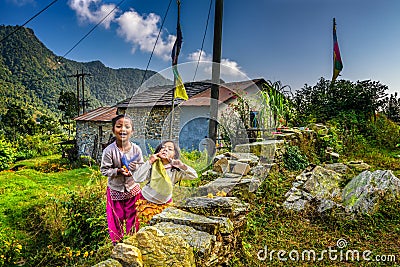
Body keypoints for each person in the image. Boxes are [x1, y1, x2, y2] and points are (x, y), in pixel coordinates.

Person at [100, 114, 143, 245]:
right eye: (119, 126)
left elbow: (141, 168)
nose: (123, 129)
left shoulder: (136, 150)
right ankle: (117, 246)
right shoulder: (109, 151)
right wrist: (118, 171)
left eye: (127, 127)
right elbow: (104, 170)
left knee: (134, 218)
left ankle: (132, 243)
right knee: (115, 220)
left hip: (133, 190)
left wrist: (135, 169)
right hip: (115, 190)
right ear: (113, 130)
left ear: (132, 131)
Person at [132, 140, 198, 224]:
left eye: (170, 149)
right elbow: (137, 178)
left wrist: (182, 166)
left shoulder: (175, 171)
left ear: (174, 155)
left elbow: (194, 175)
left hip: (164, 204)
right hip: (146, 201)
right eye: (163, 147)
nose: (165, 150)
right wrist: (149, 162)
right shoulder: (153, 166)